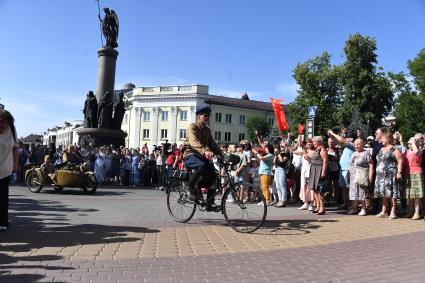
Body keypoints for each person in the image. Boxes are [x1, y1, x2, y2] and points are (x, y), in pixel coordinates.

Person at [182, 106, 222, 211]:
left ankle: (209, 203)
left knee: (214, 175)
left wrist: (223, 155)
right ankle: (188, 187)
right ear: (198, 116)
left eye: (208, 116)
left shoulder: (207, 130)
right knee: (201, 165)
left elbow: (213, 145)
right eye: (205, 116)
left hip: (200, 156)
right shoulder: (192, 127)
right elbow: (194, 142)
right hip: (190, 154)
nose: (207, 118)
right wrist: (205, 151)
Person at [374, 132, 403, 219]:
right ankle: (384, 211)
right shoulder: (381, 149)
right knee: (383, 193)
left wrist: (399, 172)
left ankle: (393, 212)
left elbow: (400, 161)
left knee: (392, 193)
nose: (380, 140)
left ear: (388, 139)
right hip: (380, 176)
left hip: (390, 175)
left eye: (382, 138)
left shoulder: (395, 149)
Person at [0, 109, 19, 231]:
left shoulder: (12, 131)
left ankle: (2, 222)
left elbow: (15, 149)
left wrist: (15, 166)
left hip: (5, 168)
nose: (3, 125)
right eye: (1, 122)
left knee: (2, 196)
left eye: (6, 123)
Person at [348, 138, 374, 216]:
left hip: (362, 174)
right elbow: (350, 164)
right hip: (353, 175)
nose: (356, 146)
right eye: (355, 145)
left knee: (362, 192)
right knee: (354, 192)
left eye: (358, 144)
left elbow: (371, 164)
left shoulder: (366, 153)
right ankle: (354, 208)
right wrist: (350, 173)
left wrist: (370, 176)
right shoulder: (354, 153)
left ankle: (363, 208)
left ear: (362, 145)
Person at [306, 136, 328, 215]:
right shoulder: (316, 150)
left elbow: (325, 161)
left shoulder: (322, 150)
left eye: (314, 142)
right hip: (314, 169)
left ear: (318, 142)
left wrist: (323, 172)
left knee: (320, 191)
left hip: (319, 170)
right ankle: (318, 206)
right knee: (315, 190)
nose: (313, 143)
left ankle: (322, 208)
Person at [403, 137, 423, 220]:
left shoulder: (419, 150)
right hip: (408, 173)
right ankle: (410, 212)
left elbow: (416, 152)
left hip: (416, 172)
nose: (409, 145)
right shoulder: (407, 151)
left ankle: (417, 212)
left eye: (410, 143)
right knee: (410, 195)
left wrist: (414, 142)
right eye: (408, 143)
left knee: (417, 195)